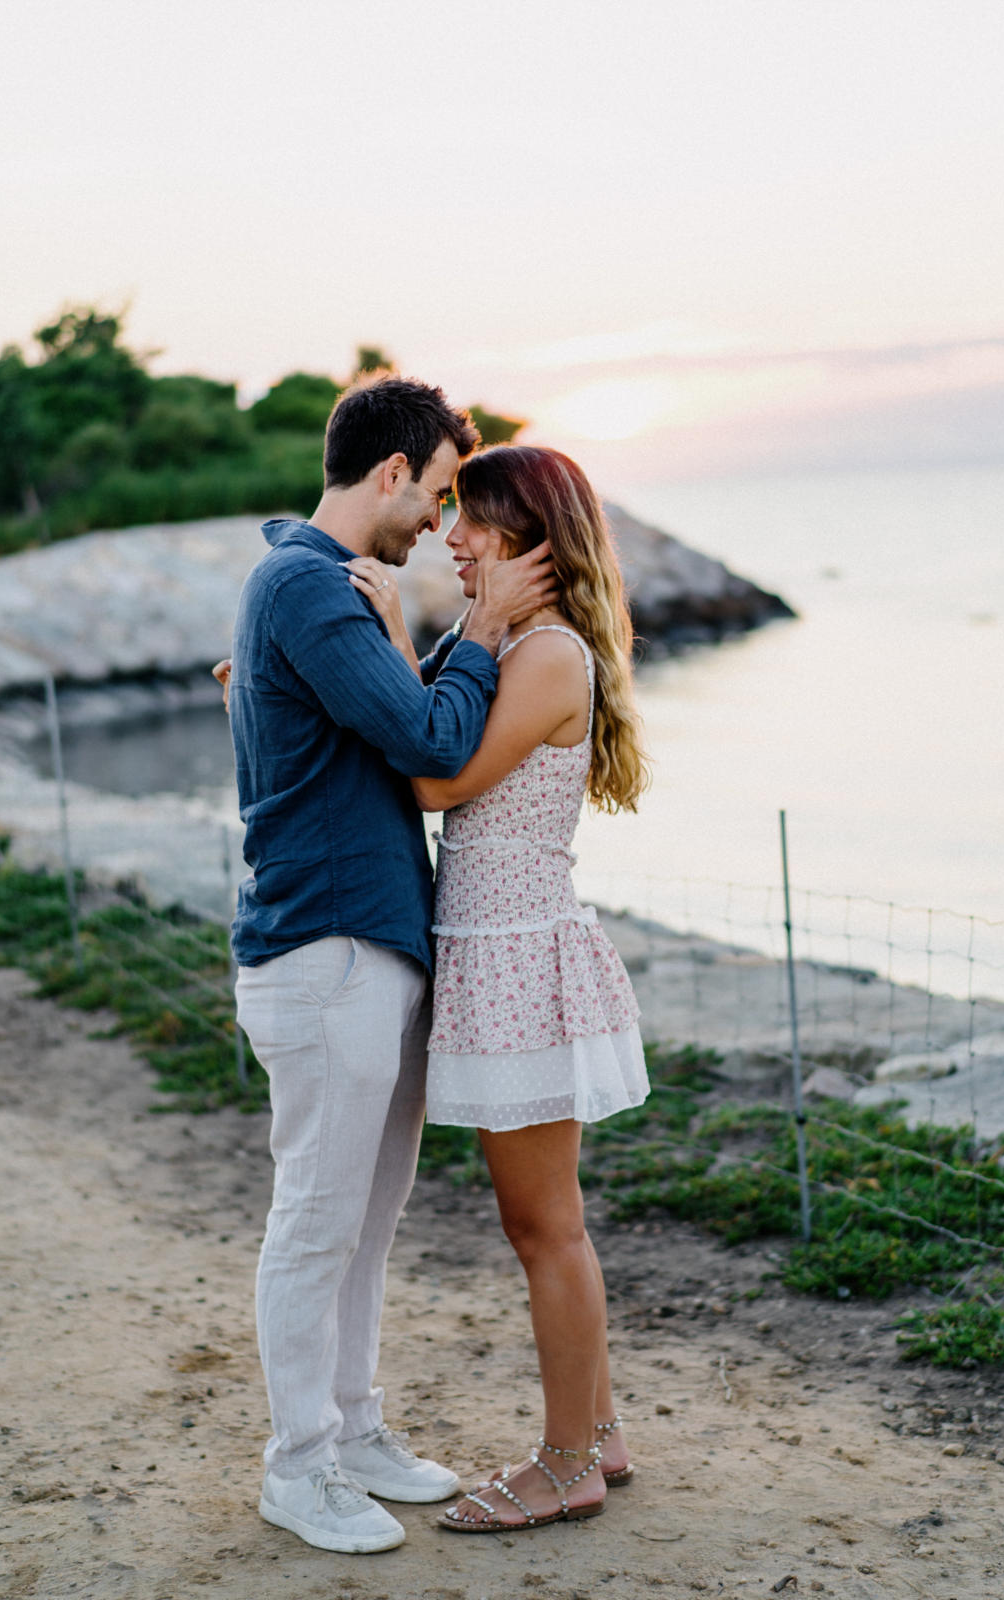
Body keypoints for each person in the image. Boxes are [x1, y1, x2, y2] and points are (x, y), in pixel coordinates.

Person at [222, 376, 556, 1555]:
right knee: (317, 1221)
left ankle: (353, 1430)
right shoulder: (308, 585)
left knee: (365, 1220)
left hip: (367, 948)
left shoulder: (325, 590)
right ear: (388, 473)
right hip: (326, 954)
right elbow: (427, 742)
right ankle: (297, 1465)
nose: (438, 521)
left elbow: (380, 723)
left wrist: (406, 636)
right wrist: (474, 628)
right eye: (437, 489)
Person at [348, 443, 649, 1533]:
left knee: (543, 1226)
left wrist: (391, 635)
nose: (452, 540)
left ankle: (564, 1460)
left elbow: (434, 777)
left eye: (473, 522)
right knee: (548, 1220)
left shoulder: (546, 655)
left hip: (520, 959)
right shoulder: (516, 645)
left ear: (525, 538)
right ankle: (600, 1433)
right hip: (498, 952)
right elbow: (416, 721)